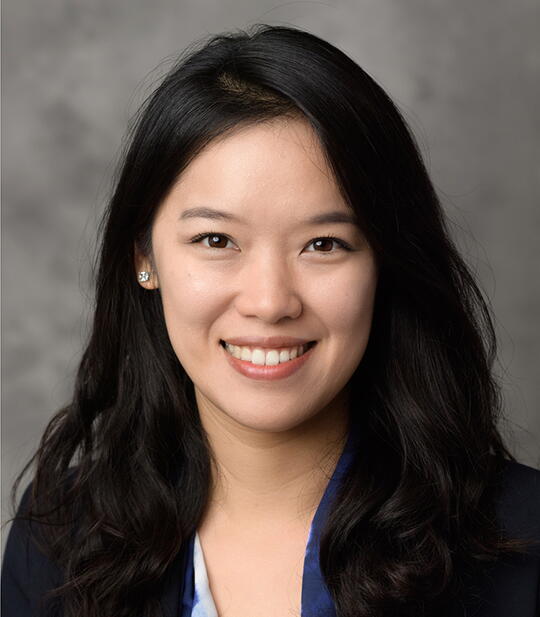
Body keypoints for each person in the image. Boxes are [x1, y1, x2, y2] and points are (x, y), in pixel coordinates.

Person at [1, 23, 539, 617]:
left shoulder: (522, 545)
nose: (269, 301)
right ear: (144, 258)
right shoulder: (59, 538)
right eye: (215, 239)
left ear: (387, 261)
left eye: (325, 244)